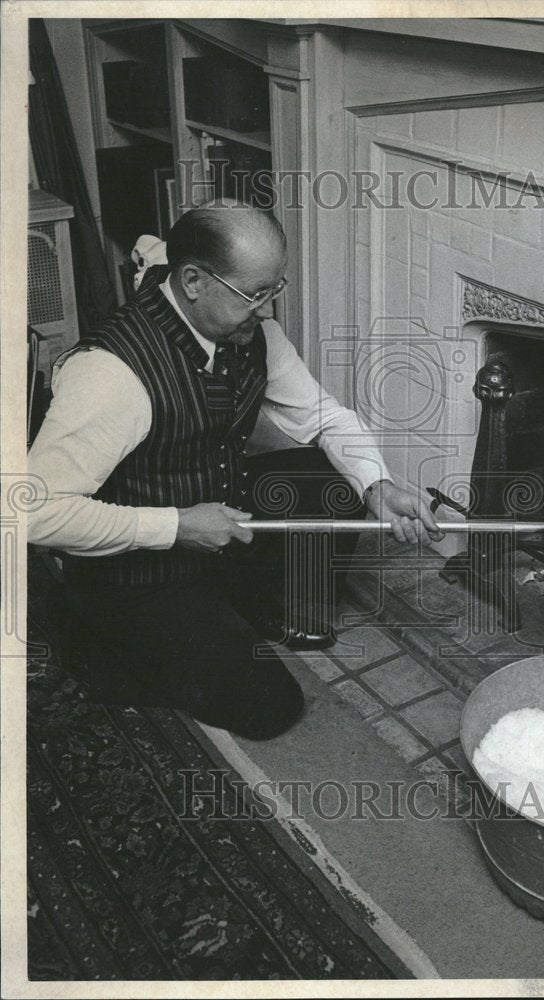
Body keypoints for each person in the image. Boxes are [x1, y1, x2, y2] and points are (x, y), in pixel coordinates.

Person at [28, 204, 443, 740]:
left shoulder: (254, 335)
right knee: (269, 706)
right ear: (194, 281)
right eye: (254, 294)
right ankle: (103, 649)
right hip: (133, 574)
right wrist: (176, 525)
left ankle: (232, 605)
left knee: (332, 479)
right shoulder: (109, 374)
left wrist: (378, 486)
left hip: (210, 525)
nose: (266, 308)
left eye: (274, 288)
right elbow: (31, 513)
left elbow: (326, 418)